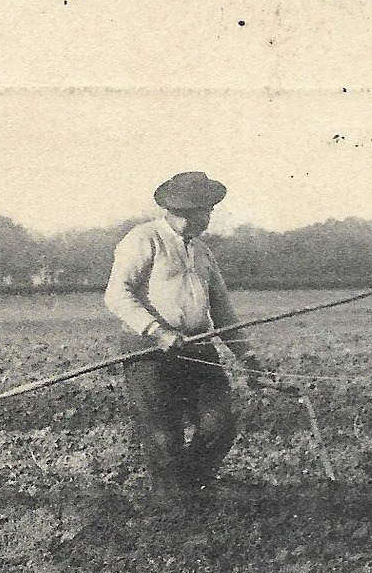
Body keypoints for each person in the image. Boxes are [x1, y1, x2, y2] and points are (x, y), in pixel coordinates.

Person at [105, 171, 261, 503]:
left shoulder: (202, 251)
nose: (210, 217)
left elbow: (222, 309)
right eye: (206, 210)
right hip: (149, 351)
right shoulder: (143, 240)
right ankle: (173, 503)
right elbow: (117, 295)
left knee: (218, 423)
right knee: (163, 434)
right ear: (184, 210)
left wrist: (247, 357)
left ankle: (190, 487)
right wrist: (157, 331)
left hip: (199, 347)